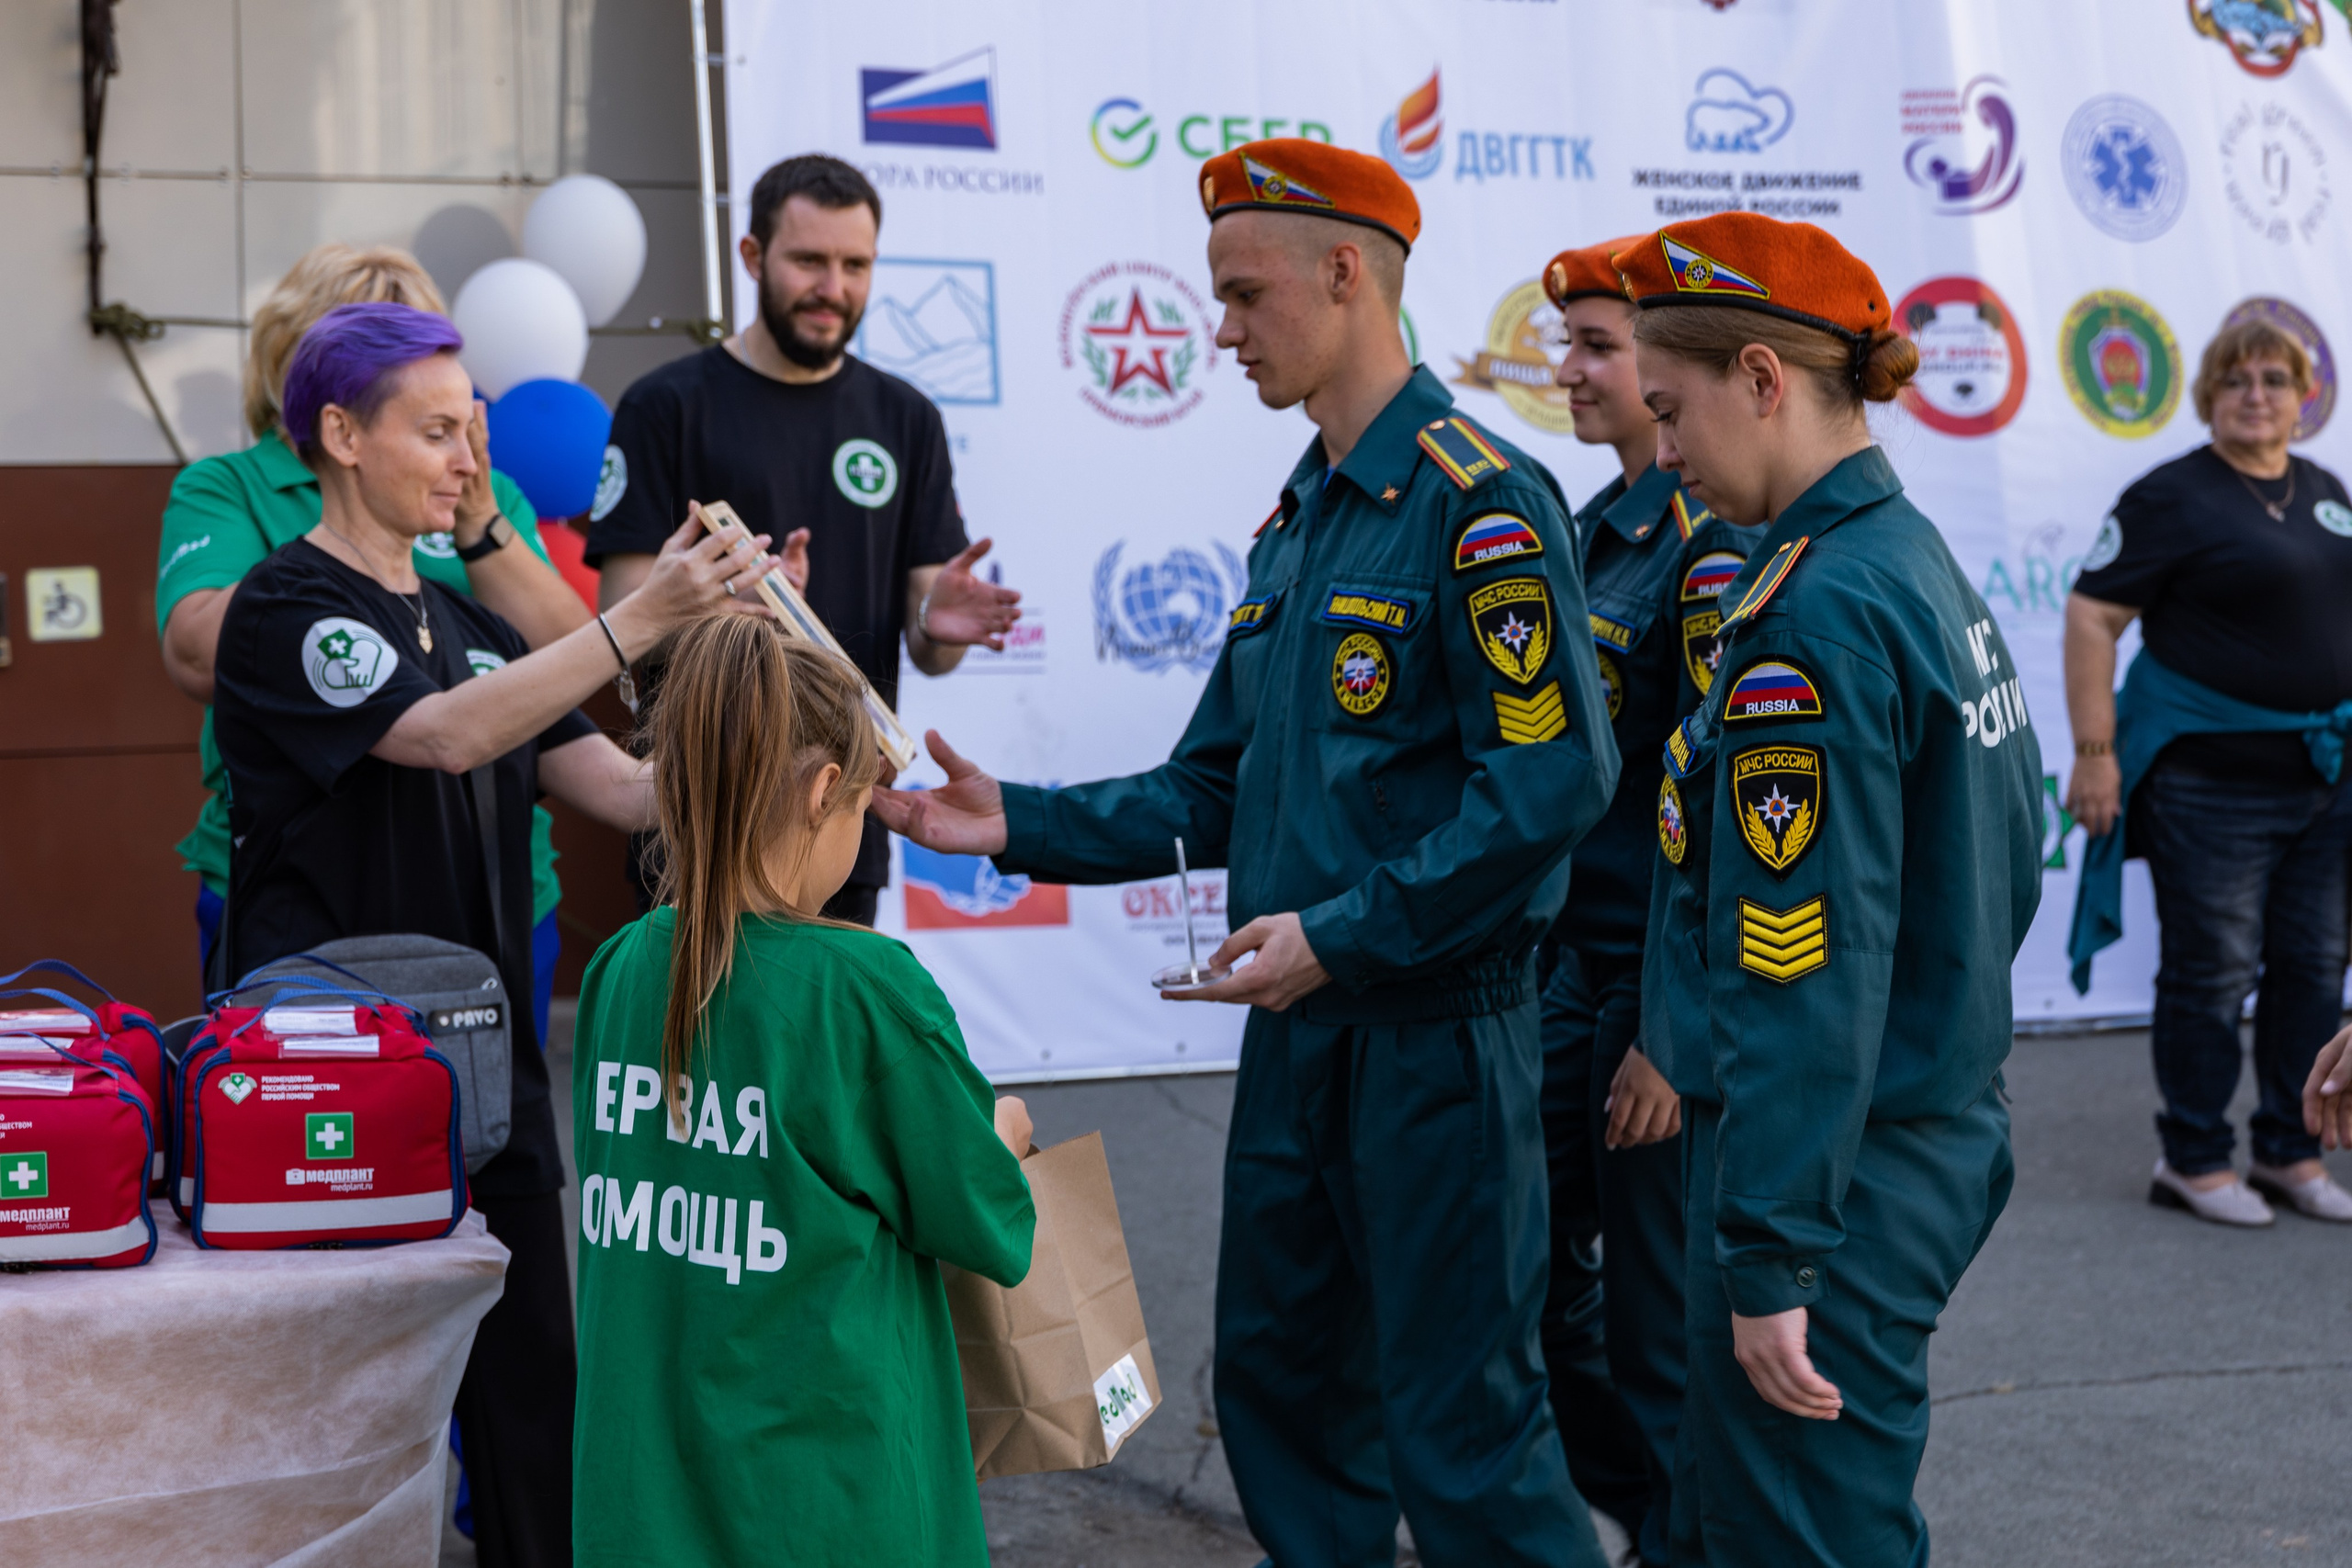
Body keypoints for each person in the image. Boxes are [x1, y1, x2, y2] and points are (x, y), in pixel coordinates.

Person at [875, 139, 1621, 1567]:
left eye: (1242, 292)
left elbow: (1553, 779)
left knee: (1464, 1433)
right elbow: (1209, 784)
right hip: (1298, 1041)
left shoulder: (1480, 501)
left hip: (1436, 1043)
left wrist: (1343, 929)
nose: (1218, 328)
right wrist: (1012, 823)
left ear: (1347, 273)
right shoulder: (1301, 517)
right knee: (1284, 1396)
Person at [209, 302, 772, 1568]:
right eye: (438, 431)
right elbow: (446, 733)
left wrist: (749, 659)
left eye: (476, 429)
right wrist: (634, 620)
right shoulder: (287, 603)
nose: (470, 460)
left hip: (485, 1078)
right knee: (341, 1426)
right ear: (342, 435)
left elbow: (626, 792)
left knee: (533, 1416)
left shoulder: (474, 623)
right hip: (326, 1079)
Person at [1622, 213, 2041, 1565]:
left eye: (1673, 409)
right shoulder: (1899, 560)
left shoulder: (1813, 610)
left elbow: (1806, 960)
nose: (1665, 450)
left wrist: (1775, 1250)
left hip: (1831, 1170)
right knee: (1729, 1519)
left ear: (1761, 377)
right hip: (1907, 1133)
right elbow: (2005, 864)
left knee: (1800, 1535)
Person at [569, 615, 1035, 1567]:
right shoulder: (862, 989)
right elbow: (992, 1224)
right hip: (828, 1506)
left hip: (641, 1508)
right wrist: (1005, 1131)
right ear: (827, 791)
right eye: (864, 807)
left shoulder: (620, 967)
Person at [156, 243, 589, 1035]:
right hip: (309, 879)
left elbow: (565, 659)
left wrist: (474, 522)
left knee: (488, 1133)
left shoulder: (474, 488)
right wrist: (354, 556)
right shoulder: (234, 488)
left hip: (492, 865)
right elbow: (196, 651)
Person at [586, 153, 1023, 925]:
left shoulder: (905, 417)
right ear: (753, 256)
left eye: (855, 264)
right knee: (696, 1048)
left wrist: (935, 622)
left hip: (839, 819)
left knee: (821, 1042)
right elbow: (620, 621)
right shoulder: (664, 406)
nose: (834, 288)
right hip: (697, 817)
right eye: (810, 260)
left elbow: (932, 649)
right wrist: (725, 605)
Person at [1532, 236, 1763, 1568]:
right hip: (1570, 967)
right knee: (1546, 1286)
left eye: (1601, 348)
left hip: (1647, 988)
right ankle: (1629, 1516)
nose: (1571, 370)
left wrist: (1670, 1029)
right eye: (1567, 345)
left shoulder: (1706, 543)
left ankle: (1686, 1537)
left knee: (1655, 1322)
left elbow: (1725, 811)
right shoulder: (1589, 523)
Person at [2064, 316, 2352, 1227]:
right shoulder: (2168, 497)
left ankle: (2290, 1150)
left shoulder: (2324, 490)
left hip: (2323, 782)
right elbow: (2088, 619)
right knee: (2212, 973)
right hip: (2208, 784)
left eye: (2274, 379)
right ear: (2207, 397)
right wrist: (2094, 754)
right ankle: (2190, 1158)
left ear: (2303, 397)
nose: (2256, 393)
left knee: (2312, 969)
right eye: (2236, 380)